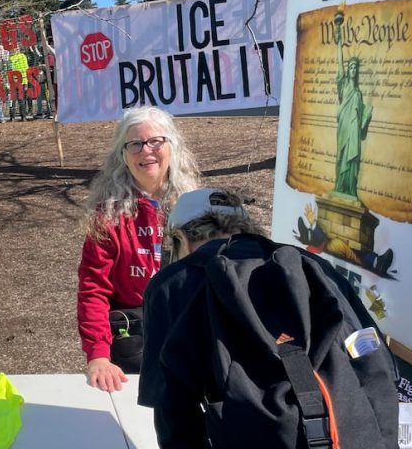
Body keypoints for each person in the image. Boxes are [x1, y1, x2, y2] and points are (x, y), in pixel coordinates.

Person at [139, 188, 397, 447]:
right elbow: (373, 359)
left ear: (180, 239)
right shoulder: (312, 265)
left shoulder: (172, 284)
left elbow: (171, 406)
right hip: (348, 429)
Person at [77, 106, 200, 392]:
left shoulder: (196, 208)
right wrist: (98, 355)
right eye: (135, 144)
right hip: (134, 341)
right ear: (123, 155)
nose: (146, 151)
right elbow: (93, 289)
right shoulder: (108, 216)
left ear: (172, 146)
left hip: (189, 334)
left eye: (156, 141)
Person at [333, 12, 372, 198]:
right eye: (351, 67)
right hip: (344, 127)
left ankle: (350, 189)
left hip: (354, 130)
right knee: (342, 156)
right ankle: (340, 187)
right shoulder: (343, 85)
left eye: (356, 67)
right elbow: (339, 62)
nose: (353, 69)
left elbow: (362, 125)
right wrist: (339, 39)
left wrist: (367, 116)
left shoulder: (359, 93)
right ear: (347, 70)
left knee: (354, 158)